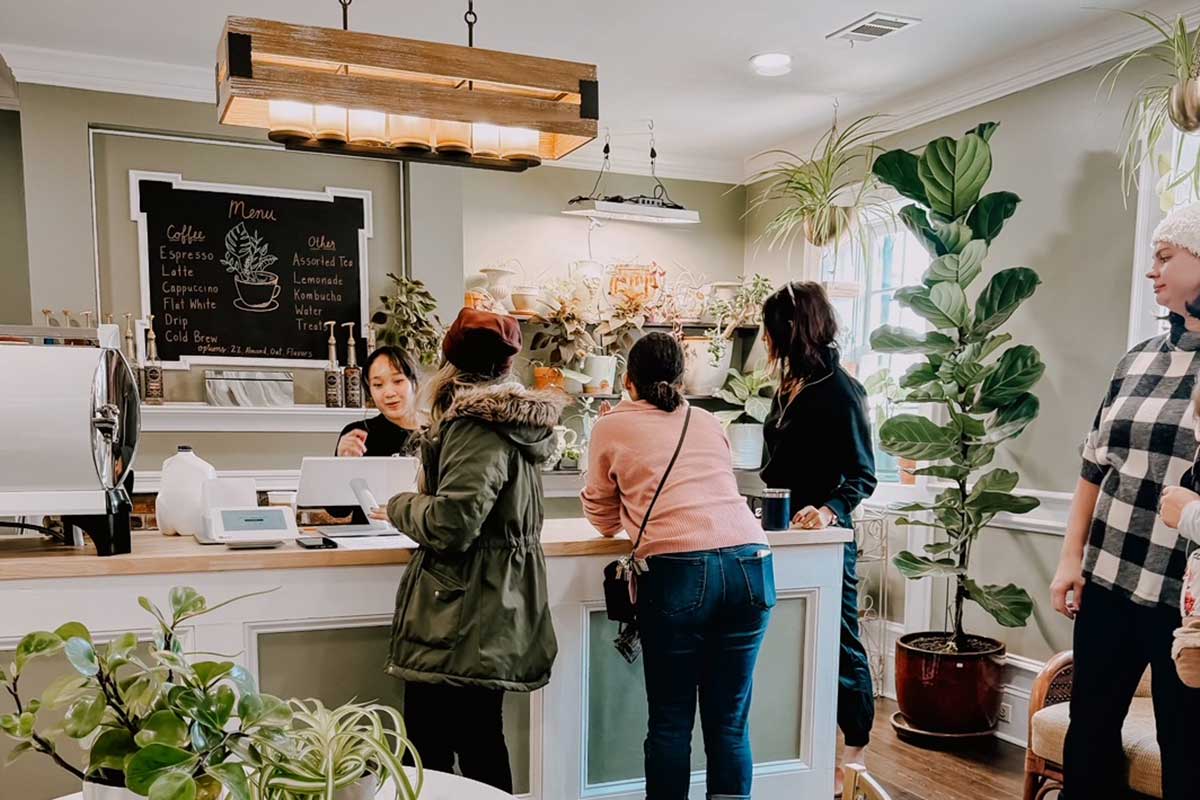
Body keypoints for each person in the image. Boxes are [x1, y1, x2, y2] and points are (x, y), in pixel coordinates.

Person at [581, 332, 773, 800]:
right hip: (752, 563)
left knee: (670, 721)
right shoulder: (708, 422)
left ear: (627, 381)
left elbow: (602, 519)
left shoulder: (610, 425)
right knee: (729, 725)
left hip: (678, 573)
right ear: (682, 379)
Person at [1051, 201, 1200, 799]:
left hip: (1183, 602)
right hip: (1109, 580)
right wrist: (1071, 559)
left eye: (1166, 257)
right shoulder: (1137, 358)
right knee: (1088, 736)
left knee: (1187, 752)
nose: (1152, 271)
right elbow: (1095, 462)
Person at [382, 308, 564, 792]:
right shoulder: (510, 424)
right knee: (478, 738)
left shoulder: (474, 424)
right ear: (507, 366)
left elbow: (452, 523)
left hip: (462, 611)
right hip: (487, 602)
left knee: (433, 749)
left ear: (449, 361)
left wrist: (400, 504)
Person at [758, 281, 876, 795]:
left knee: (842, 641)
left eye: (768, 329)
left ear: (787, 329)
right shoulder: (788, 386)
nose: (763, 339)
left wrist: (828, 512)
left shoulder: (841, 390)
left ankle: (855, 756)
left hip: (827, 540)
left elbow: (863, 474)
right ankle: (801, 753)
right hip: (780, 532)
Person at [330, 345, 420, 523]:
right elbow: (338, 511)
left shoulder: (439, 431)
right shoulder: (357, 434)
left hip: (424, 540)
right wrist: (341, 463)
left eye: (398, 381)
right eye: (378, 385)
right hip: (369, 542)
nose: (389, 393)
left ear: (414, 382)